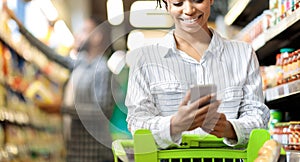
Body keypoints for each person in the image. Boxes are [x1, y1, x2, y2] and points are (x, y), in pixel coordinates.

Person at [125, 0, 270, 149]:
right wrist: (174, 125)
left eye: (198, 0)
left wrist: (228, 128)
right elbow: (137, 123)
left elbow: (258, 116)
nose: (188, 10)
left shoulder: (243, 54)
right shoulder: (144, 59)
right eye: (178, 3)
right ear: (167, 5)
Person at [9, 12, 114, 161]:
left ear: (97, 37)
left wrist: (61, 108)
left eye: (84, 31)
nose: (78, 35)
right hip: (75, 151)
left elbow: (103, 111)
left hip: (94, 154)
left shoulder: (102, 70)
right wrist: (20, 28)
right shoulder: (81, 64)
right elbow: (52, 55)